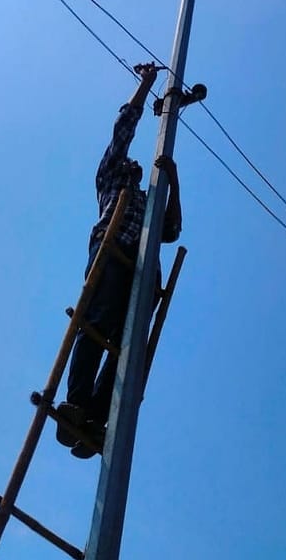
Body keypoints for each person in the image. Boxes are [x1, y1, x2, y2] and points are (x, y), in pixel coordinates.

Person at [56, 62, 182, 458]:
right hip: (113, 249)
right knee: (97, 320)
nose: (135, 165)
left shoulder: (148, 200)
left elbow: (171, 230)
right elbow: (124, 127)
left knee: (128, 342)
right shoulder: (111, 177)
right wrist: (145, 84)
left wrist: (172, 178)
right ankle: (77, 403)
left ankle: (96, 415)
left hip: (144, 267)